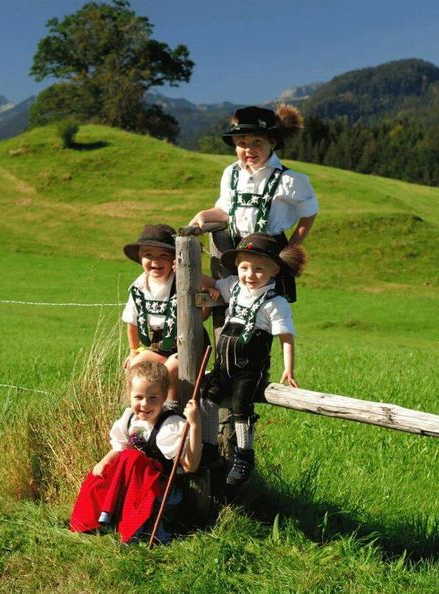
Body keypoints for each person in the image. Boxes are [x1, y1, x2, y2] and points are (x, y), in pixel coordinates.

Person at [201, 233, 305, 486]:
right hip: (222, 364)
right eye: (244, 267)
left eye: (259, 269)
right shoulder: (234, 287)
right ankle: (209, 448)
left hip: (249, 369)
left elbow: (286, 337)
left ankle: (244, 455)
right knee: (207, 397)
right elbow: (211, 281)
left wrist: (288, 370)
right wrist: (186, 272)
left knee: (240, 407)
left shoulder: (275, 302)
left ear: (274, 271)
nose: (250, 274)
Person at [189, 104, 318, 302]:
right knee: (232, 309)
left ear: (272, 143)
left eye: (257, 141)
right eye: (242, 143)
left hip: (269, 257)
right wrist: (204, 215)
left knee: (265, 315)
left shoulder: (289, 180)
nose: (249, 149)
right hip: (234, 254)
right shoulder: (231, 174)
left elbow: (309, 213)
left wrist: (292, 246)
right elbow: (226, 210)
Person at [70, 360, 202, 544]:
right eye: (138, 397)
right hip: (131, 479)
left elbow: (191, 465)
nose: (145, 404)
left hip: (158, 487)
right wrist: (104, 462)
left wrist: (194, 425)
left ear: (164, 396)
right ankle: (95, 521)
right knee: (99, 476)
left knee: (132, 458)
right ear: (129, 395)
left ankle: (134, 528)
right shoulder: (130, 418)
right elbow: (120, 446)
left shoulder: (169, 425)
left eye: (153, 398)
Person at [121, 224, 179, 407]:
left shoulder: (180, 281)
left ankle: (170, 408)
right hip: (158, 344)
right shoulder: (138, 288)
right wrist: (133, 350)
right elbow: (132, 321)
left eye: (163, 256)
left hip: (185, 344)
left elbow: (200, 314)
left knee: (169, 370)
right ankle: (136, 409)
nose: (156, 261)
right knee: (135, 365)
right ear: (140, 257)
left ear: (174, 260)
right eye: (148, 255)